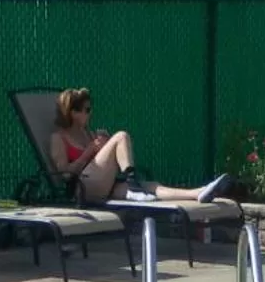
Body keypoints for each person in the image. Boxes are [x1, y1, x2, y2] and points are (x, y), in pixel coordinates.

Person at [49, 88, 230, 205]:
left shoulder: (86, 133)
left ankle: (198, 193)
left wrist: (102, 146)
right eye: (87, 110)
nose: (91, 113)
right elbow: (64, 174)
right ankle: (132, 183)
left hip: (102, 184)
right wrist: (89, 151)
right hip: (81, 188)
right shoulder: (58, 138)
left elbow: (98, 162)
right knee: (121, 136)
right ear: (73, 112)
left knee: (152, 186)